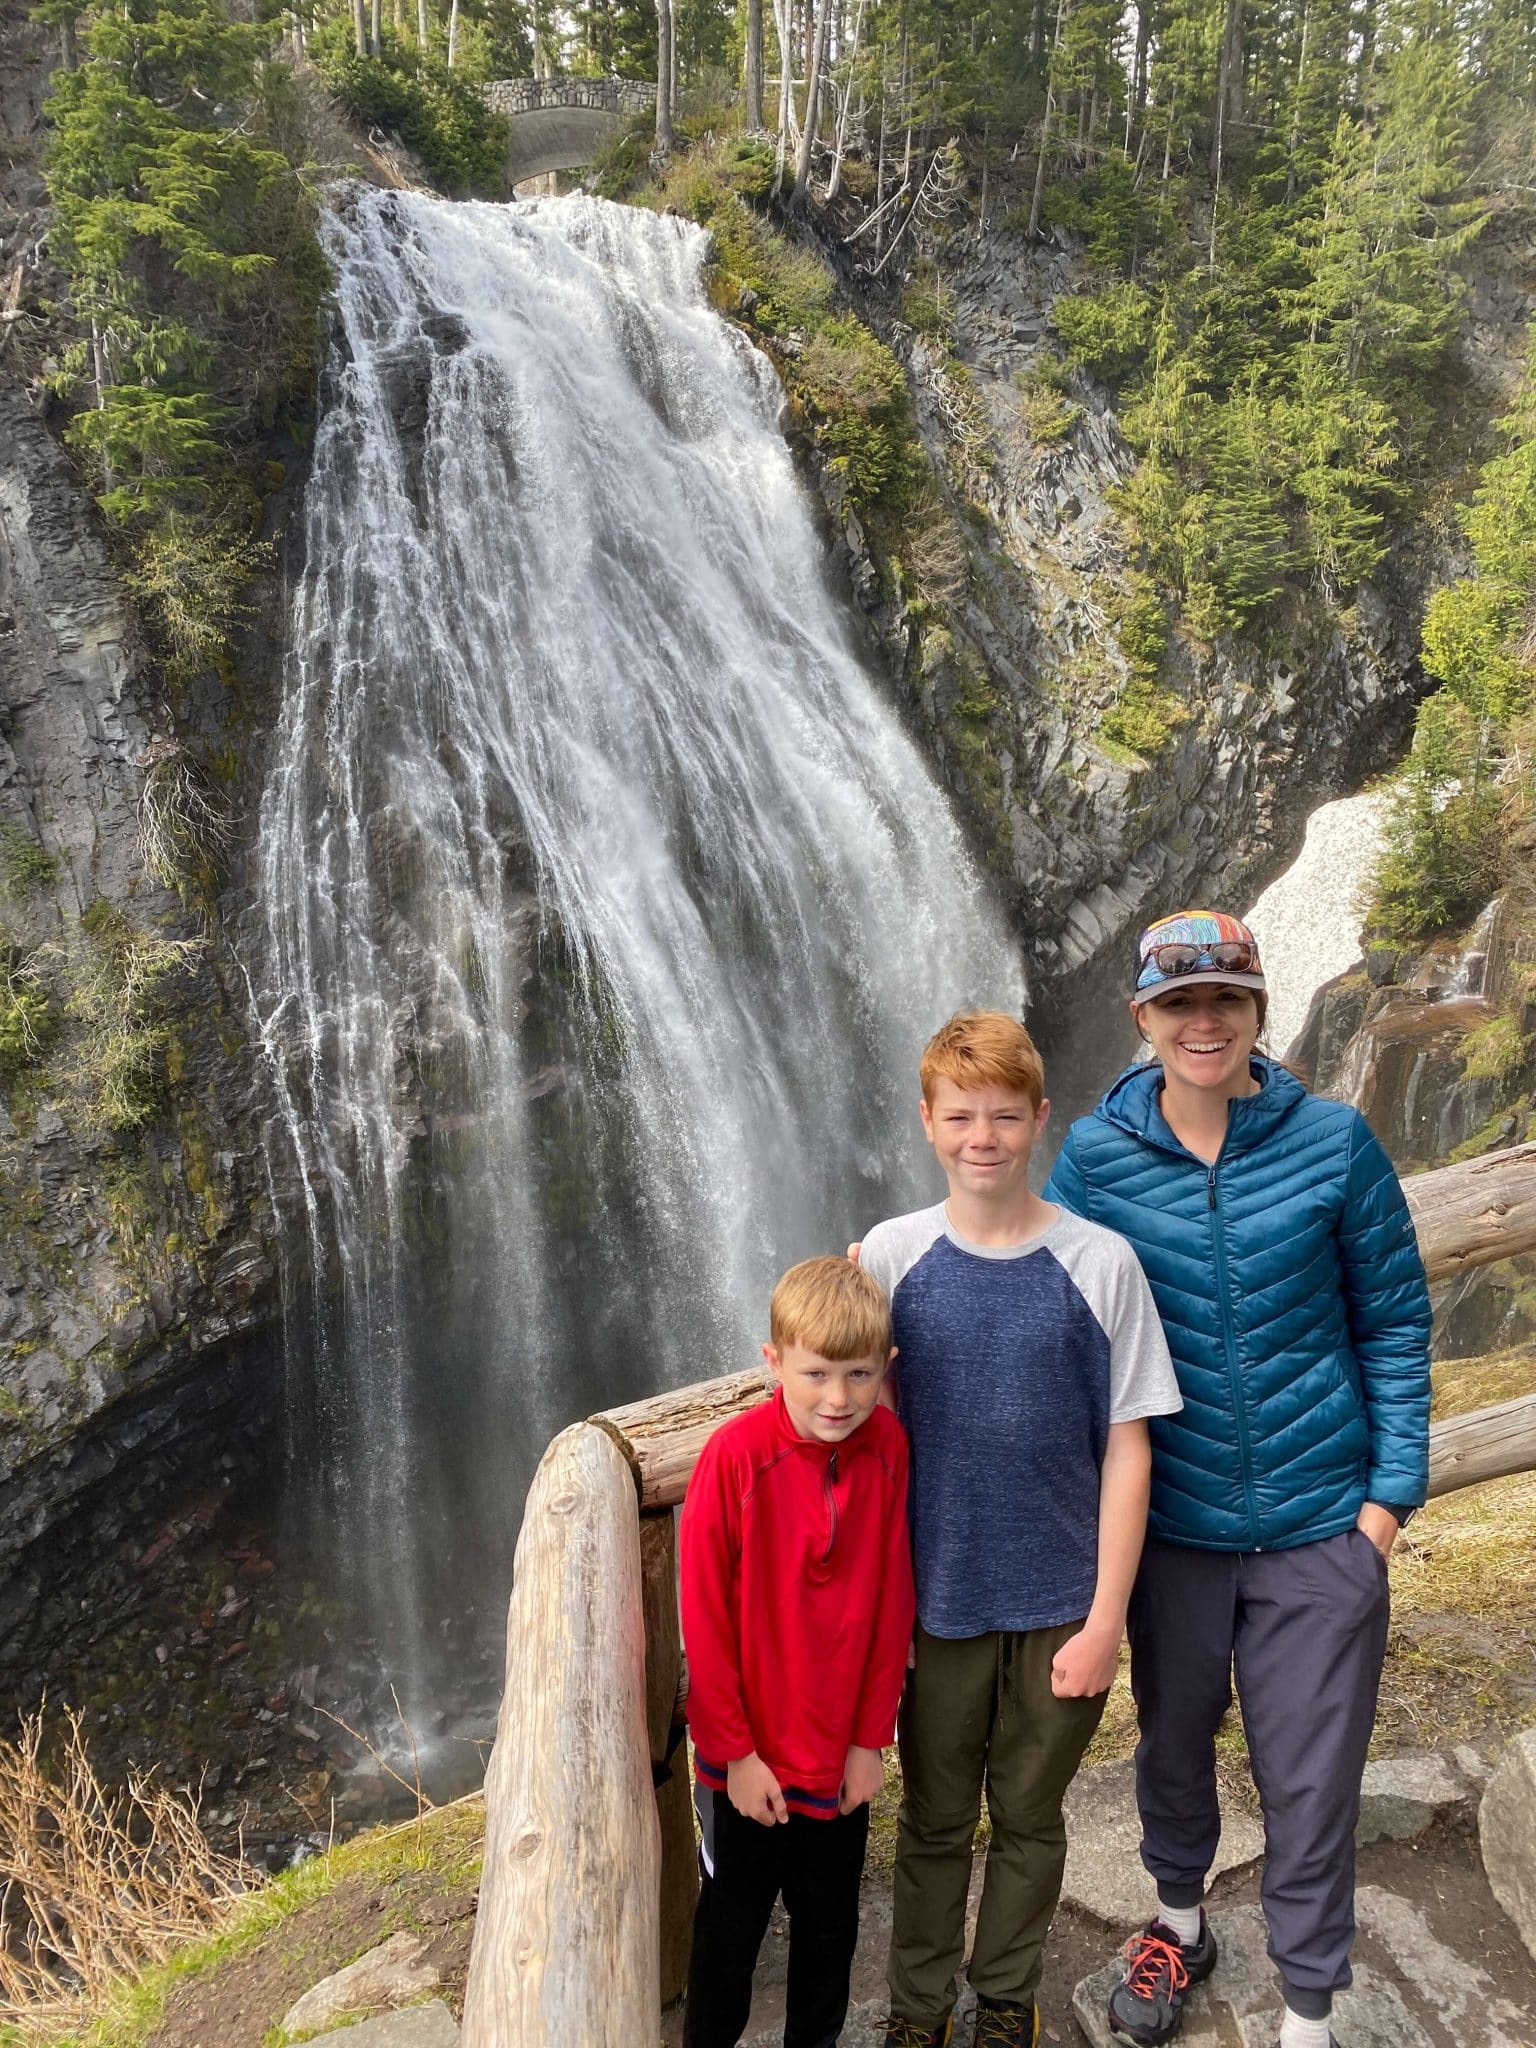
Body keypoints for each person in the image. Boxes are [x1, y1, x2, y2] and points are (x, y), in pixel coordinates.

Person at [1044, 909, 1432, 2048]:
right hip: (1171, 1522)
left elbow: (1396, 1321)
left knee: (1311, 1779)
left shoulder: (1334, 1142)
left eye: (1224, 997)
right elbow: (1054, 1309)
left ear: (1259, 1009)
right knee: (1170, 1739)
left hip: (1323, 1520)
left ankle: (1307, 2007)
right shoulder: (1096, 1157)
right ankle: (1178, 1920)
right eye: (1179, 1002)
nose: (1202, 1020)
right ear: (1143, 1019)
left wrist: (1382, 1509)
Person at [858, 1010, 1183, 2048]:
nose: (983, 1136)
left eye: (1005, 1115)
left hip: (1058, 1607)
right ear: (928, 1121)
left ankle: (1004, 1998)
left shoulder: (1102, 1263)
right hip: (935, 1602)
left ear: (1041, 1118)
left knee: (1032, 1821)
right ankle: (918, 2010)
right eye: (962, 1116)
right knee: (934, 1822)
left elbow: (1129, 1449)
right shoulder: (889, 1258)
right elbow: (840, 1421)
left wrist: (1104, 1620)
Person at [679, 1254, 916, 2048]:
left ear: (886, 1367)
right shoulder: (734, 1458)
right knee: (728, 1933)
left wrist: (867, 1741)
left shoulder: (887, 1446)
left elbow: (892, 1599)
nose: (838, 1398)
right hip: (748, 1764)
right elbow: (703, 1623)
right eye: (816, 1374)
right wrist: (734, 1755)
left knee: (829, 1932)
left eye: (858, 1374)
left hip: (838, 1760)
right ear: (773, 1361)